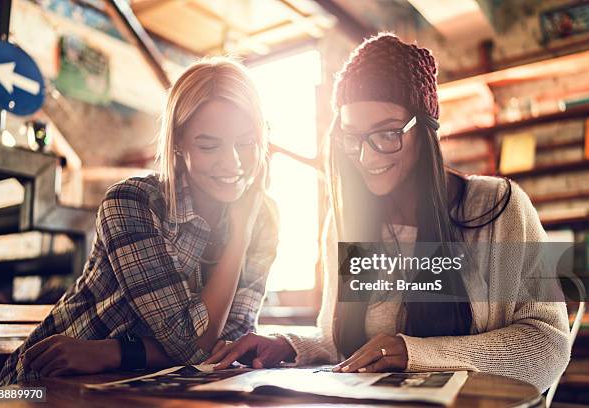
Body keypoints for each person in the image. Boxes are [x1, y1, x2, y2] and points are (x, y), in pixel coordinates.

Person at [206, 33, 571, 393]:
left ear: (426, 130)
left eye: (386, 134)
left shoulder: (499, 208)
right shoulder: (347, 220)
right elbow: (342, 342)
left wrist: (414, 352)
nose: (367, 157)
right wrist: (289, 344)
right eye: (351, 137)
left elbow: (548, 347)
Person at [0, 57, 279, 385]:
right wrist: (240, 238)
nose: (232, 162)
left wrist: (111, 352)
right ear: (178, 144)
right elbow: (192, 344)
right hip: (39, 385)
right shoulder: (133, 202)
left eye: (246, 143)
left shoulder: (263, 220)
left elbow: (224, 347)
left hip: (139, 386)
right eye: (208, 144)